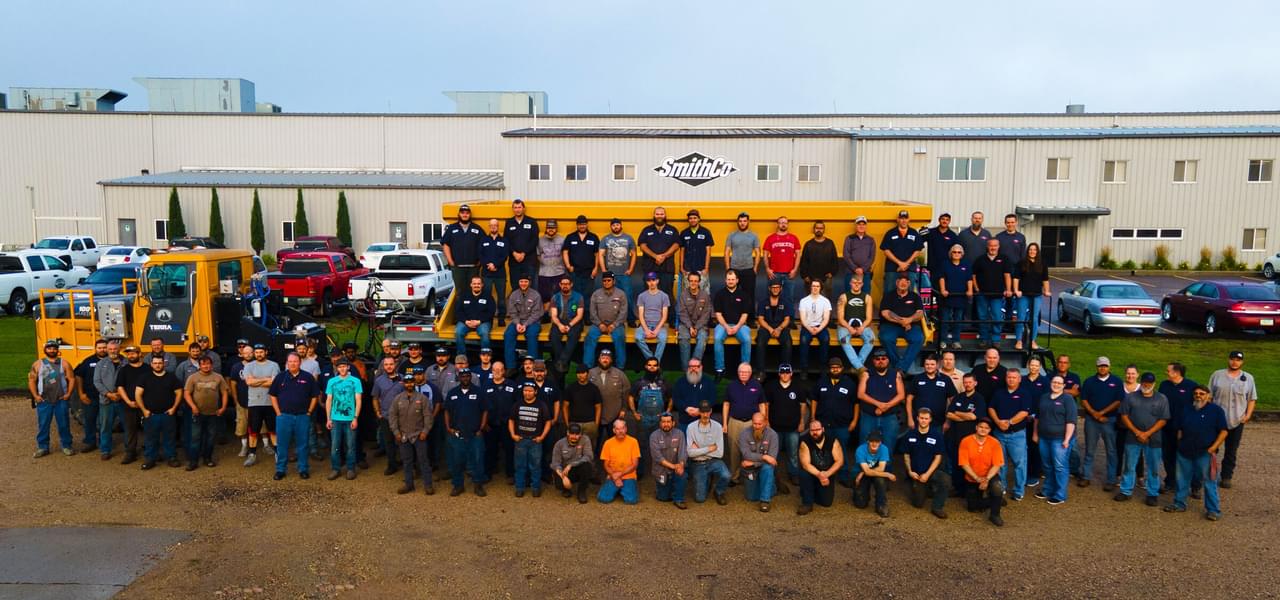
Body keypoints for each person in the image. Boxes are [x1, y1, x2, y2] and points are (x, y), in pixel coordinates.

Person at [1164, 386, 1228, 520]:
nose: (1198, 396)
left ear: (1208, 395)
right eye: (1196, 393)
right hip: (1184, 451)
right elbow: (1179, 428)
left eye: (1202, 393)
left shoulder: (1216, 411)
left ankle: (1213, 510)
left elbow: (1223, 431)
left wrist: (1213, 447)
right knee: (1181, 480)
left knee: (1209, 481)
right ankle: (1179, 504)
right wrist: (1180, 443)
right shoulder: (1186, 409)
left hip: (1205, 452)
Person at [1117, 372, 1170, 506]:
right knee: (1129, 465)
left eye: (1150, 383)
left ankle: (1152, 494)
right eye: (1145, 382)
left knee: (1153, 468)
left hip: (1154, 439)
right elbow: (1124, 415)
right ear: (1141, 382)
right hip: (1132, 437)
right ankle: (1126, 491)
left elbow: (1163, 419)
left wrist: (1147, 433)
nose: (1147, 384)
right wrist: (1136, 432)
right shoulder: (1130, 397)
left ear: (1154, 384)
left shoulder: (1161, 398)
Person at [1209, 350, 1256, 489]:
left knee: (1231, 451)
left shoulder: (1248, 378)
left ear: (1242, 362)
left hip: (1236, 421)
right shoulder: (1217, 375)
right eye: (1233, 359)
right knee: (1212, 449)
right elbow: (1209, 396)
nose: (1235, 362)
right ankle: (1208, 475)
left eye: (1238, 360)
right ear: (1228, 360)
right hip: (1217, 421)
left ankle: (1226, 477)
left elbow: (1252, 398)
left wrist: (1248, 415)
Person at [1079, 356, 1124, 490]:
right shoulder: (1089, 381)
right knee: (1090, 450)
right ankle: (1086, 477)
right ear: (1096, 367)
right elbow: (1084, 400)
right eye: (1100, 366)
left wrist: (1102, 413)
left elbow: (1118, 401)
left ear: (1109, 366)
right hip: (1091, 420)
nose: (1102, 368)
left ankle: (1111, 479)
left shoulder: (1116, 381)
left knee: (1111, 451)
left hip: (1109, 420)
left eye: (1105, 365)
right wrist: (1094, 414)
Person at [813, 357, 858, 485]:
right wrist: (813, 418)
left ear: (842, 368)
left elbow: (856, 403)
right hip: (824, 424)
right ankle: (825, 475)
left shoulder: (849, 383)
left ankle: (844, 476)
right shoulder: (822, 382)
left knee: (841, 450)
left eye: (837, 367)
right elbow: (815, 399)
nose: (835, 369)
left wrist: (854, 421)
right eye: (832, 367)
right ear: (829, 369)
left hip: (842, 425)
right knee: (823, 451)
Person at [443, 370, 489, 497]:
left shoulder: (478, 392)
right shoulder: (452, 393)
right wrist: (448, 428)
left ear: (471, 377)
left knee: (478, 460)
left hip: (475, 434)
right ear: (458, 378)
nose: (465, 378)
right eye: (462, 376)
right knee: (456, 461)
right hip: (457, 434)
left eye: (467, 376)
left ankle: (478, 485)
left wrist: (482, 427)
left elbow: (485, 410)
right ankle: (458, 485)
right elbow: (446, 410)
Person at [389, 370, 434, 495]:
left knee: (423, 461)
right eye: (407, 382)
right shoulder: (397, 399)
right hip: (403, 436)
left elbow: (428, 416)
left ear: (414, 383)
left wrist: (425, 431)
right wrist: (396, 432)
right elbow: (392, 416)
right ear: (403, 384)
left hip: (419, 435)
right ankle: (409, 484)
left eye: (411, 382)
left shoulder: (422, 398)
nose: (409, 384)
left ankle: (428, 485)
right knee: (407, 461)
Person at [988, 369, 1031, 500]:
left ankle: (1019, 491)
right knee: (1000, 463)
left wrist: (1009, 422)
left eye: (1014, 377)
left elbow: (1024, 412)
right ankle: (1002, 487)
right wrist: (997, 422)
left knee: (1020, 463)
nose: (1011, 380)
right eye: (1009, 377)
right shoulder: (999, 392)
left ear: (1019, 379)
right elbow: (991, 408)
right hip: (999, 433)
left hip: (1016, 434)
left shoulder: (1024, 393)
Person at [135, 354, 183, 469]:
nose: (157, 365)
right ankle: (150, 459)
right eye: (155, 363)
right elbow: (138, 394)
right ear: (151, 364)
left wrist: (174, 408)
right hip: (151, 415)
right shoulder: (144, 377)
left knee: (169, 438)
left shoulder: (171, 377)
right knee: (150, 438)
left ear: (164, 364)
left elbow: (179, 392)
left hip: (167, 414)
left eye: (160, 363)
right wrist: (144, 410)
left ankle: (171, 457)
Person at [29, 339, 75, 458]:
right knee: (43, 424)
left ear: (57, 350)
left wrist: (69, 393)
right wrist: (36, 396)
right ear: (45, 350)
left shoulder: (64, 363)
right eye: (49, 348)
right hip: (44, 400)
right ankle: (43, 447)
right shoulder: (37, 364)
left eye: (54, 348)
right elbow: (32, 381)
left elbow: (71, 379)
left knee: (64, 423)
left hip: (61, 399)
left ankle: (67, 446)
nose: (52, 350)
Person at [1158, 362, 1200, 494]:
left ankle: (1195, 486)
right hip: (1167, 427)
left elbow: (1197, 406)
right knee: (1168, 456)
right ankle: (1171, 482)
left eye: (1168, 370)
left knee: (1188, 457)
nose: (1166, 373)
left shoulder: (1191, 386)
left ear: (1176, 373)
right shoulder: (1164, 385)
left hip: (1184, 429)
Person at [1035, 376, 1077, 505]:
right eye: (1054, 382)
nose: (1056, 385)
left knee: (1059, 467)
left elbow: (1071, 421)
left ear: (1064, 385)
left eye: (1059, 383)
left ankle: (1059, 495)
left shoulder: (1068, 399)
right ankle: (1047, 489)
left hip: (1060, 439)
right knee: (1047, 465)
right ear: (1050, 383)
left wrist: (1067, 440)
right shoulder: (1044, 397)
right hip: (1044, 438)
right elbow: (1038, 417)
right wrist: (1035, 434)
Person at [764, 363, 806, 490]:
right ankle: (773, 474)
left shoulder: (798, 386)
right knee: (773, 453)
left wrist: (802, 421)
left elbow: (803, 405)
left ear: (791, 373)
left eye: (787, 372)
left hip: (792, 428)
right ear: (779, 374)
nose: (785, 375)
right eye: (782, 372)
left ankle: (793, 474)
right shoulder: (772, 386)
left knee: (793, 453)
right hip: (775, 428)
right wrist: (767, 420)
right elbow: (766, 404)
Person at [903, 408, 950, 518]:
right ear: (917, 418)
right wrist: (910, 472)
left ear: (930, 420)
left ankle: (937, 507)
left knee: (945, 480)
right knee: (918, 504)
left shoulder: (936, 435)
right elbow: (906, 455)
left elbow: (938, 457)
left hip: (931, 471)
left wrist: (928, 474)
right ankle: (921, 487)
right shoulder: (910, 435)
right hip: (916, 474)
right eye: (922, 418)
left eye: (926, 418)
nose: (924, 421)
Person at [183, 355, 228, 470]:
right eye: (203, 364)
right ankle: (193, 461)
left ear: (211, 365)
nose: (206, 366)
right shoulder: (192, 377)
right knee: (195, 438)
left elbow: (224, 393)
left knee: (210, 438)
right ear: (199, 365)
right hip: (197, 413)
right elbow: (186, 394)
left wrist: (223, 407)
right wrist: (193, 406)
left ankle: (207, 458)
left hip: (213, 414)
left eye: (208, 364)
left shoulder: (218, 377)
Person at [629, 357, 672, 476]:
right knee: (641, 446)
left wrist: (667, 413)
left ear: (658, 367)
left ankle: (661, 470)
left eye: (654, 365)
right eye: (650, 365)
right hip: (643, 419)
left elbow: (671, 398)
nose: (652, 367)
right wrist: (634, 413)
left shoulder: (663, 383)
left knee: (661, 445)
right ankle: (640, 471)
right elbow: (631, 397)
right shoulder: (639, 383)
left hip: (659, 420)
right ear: (646, 366)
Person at [722, 363, 764, 483]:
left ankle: (749, 475)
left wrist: (764, 420)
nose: (743, 374)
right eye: (741, 372)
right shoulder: (731, 386)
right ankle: (734, 477)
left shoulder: (757, 385)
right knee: (733, 450)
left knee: (752, 449)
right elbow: (726, 404)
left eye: (746, 372)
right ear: (738, 372)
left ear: (750, 373)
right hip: (734, 422)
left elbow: (762, 404)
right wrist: (725, 423)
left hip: (752, 423)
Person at [959, 419, 1006, 526]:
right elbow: (964, 464)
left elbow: (997, 465)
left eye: (986, 428)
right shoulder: (965, 441)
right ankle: (995, 500)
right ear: (976, 427)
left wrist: (986, 479)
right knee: (972, 507)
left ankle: (995, 515)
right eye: (981, 427)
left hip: (989, 475)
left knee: (997, 487)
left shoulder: (994, 442)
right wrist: (976, 478)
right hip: (972, 477)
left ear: (989, 430)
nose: (983, 429)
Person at [945, 374, 986, 496]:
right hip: (955, 436)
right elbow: (949, 414)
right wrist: (965, 415)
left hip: (970, 438)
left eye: (970, 382)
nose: (967, 384)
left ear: (975, 383)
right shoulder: (958, 397)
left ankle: (969, 489)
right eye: (965, 382)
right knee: (956, 462)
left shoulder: (979, 398)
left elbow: (974, 416)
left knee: (969, 463)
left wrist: (957, 413)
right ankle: (957, 488)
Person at [509, 383, 552, 497]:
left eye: (530, 391)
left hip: (535, 441)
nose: (527, 393)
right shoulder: (517, 404)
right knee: (519, 465)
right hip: (520, 440)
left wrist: (542, 437)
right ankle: (519, 487)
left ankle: (535, 487)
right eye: (525, 391)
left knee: (536, 465)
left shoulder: (541, 405)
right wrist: (513, 434)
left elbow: (548, 421)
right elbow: (511, 420)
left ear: (535, 392)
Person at [240, 344, 280, 466]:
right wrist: (265, 379)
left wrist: (256, 380)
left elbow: (274, 383)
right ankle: (252, 454)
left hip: (270, 402)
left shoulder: (274, 365)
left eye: (261, 352)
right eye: (256, 352)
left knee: (273, 430)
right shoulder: (249, 366)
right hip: (254, 403)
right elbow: (249, 382)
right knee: (253, 430)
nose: (259, 354)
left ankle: (278, 454)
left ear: (266, 352)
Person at [857, 349, 904, 451]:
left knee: (888, 446)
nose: (880, 361)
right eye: (877, 359)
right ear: (873, 361)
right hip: (869, 416)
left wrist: (885, 407)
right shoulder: (866, 374)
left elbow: (901, 395)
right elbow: (860, 394)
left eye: (883, 358)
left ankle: (887, 467)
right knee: (864, 444)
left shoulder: (896, 374)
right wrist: (879, 404)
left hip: (889, 417)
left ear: (888, 360)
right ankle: (863, 466)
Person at [686, 401, 731, 505]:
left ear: (710, 411)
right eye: (702, 412)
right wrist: (709, 448)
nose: (705, 415)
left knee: (727, 475)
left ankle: (718, 491)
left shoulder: (718, 427)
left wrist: (698, 450)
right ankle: (707, 479)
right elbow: (690, 453)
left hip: (714, 461)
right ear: (699, 412)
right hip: (698, 463)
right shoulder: (691, 427)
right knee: (700, 499)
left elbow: (720, 453)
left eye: (707, 412)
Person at [878, 274, 924, 373]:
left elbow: (920, 314)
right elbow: (885, 313)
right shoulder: (888, 295)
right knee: (886, 338)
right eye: (900, 281)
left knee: (918, 339)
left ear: (909, 283)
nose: (903, 284)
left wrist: (910, 320)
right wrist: (903, 322)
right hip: (891, 325)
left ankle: (900, 368)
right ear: (896, 283)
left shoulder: (915, 296)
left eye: (905, 282)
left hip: (911, 325)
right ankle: (899, 367)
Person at [323, 358, 361, 480]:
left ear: (348, 367)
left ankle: (350, 468)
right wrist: (328, 418)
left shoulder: (355, 381)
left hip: (350, 418)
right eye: (340, 367)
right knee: (335, 445)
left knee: (350, 445)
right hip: (335, 418)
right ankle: (335, 468)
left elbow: (358, 400)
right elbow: (329, 400)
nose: (342, 369)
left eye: (344, 366)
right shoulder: (332, 381)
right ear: (337, 368)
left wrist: (355, 417)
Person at [797, 420, 844, 515]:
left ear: (823, 429)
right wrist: (819, 475)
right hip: (812, 472)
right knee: (804, 474)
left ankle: (810, 490)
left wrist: (827, 474)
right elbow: (805, 464)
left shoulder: (833, 440)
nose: (815, 432)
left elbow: (839, 461)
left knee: (826, 503)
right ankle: (807, 503)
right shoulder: (804, 441)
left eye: (817, 429)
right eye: (812, 430)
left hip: (827, 473)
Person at [481, 362, 519, 483]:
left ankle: (510, 474)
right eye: (494, 370)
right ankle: (488, 472)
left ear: (504, 371)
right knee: (489, 449)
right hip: (490, 425)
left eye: (500, 370)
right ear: (491, 371)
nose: (497, 372)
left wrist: (514, 424)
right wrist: (484, 423)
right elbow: (482, 406)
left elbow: (517, 405)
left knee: (510, 450)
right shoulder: (486, 386)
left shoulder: (512, 385)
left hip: (508, 425)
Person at [971, 238, 1011, 348]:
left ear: (998, 246)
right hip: (982, 294)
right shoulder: (980, 259)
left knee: (997, 317)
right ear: (987, 246)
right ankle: (983, 339)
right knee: (982, 317)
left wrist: (1008, 289)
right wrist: (976, 288)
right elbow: (973, 275)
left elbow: (1007, 275)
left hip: (997, 295)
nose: (993, 248)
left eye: (995, 245)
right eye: (990, 245)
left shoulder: (1004, 259)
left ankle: (996, 339)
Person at [112, 345, 149, 464]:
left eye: (133, 353)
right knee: (130, 430)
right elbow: (120, 387)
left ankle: (151, 452)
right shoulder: (124, 370)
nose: (130, 355)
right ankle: (130, 453)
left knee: (149, 429)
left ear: (139, 354)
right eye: (128, 354)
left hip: (146, 405)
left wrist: (143, 403)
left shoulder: (148, 369)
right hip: (129, 405)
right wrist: (128, 401)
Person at [583, 271, 628, 368]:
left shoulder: (621, 294)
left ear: (613, 281)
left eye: (609, 280)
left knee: (620, 338)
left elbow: (623, 313)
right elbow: (592, 312)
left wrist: (614, 325)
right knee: (590, 337)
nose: (606, 282)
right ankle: (587, 367)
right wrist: (599, 324)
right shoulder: (596, 294)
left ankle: (620, 367)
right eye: (604, 281)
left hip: (616, 325)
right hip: (598, 324)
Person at [588, 349, 630, 453]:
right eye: (603, 357)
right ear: (599, 359)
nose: (605, 360)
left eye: (607, 358)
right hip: (595, 415)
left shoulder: (620, 374)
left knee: (616, 442)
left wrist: (624, 409)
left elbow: (626, 392)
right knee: (594, 442)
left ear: (611, 360)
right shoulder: (590, 373)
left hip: (614, 415)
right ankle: (594, 463)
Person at [713, 270, 753, 376]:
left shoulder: (744, 295)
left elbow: (745, 314)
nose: (730, 281)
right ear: (725, 280)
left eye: (732, 279)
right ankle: (719, 369)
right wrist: (726, 326)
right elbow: (718, 314)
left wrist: (737, 327)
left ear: (737, 280)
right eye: (728, 279)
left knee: (747, 339)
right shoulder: (719, 294)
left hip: (740, 325)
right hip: (723, 324)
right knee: (717, 338)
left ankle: (745, 369)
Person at [739, 412, 781, 512]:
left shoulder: (773, 435)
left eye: (759, 424)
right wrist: (764, 457)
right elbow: (746, 454)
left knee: (768, 468)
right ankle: (772, 486)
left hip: (763, 466)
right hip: (750, 469)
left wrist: (754, 462)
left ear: (765, 422)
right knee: (751, 497)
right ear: (751, 422)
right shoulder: (744, 433)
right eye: (754, 423)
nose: (757, 426)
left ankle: (765, 501)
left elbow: (772, 459)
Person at [442, 203, 485, 297]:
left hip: (473, 268)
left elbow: (485, 245)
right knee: (460, 293)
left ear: (470, 215)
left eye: (467, 213)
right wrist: (450, 261)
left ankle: (472, 311)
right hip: (457, 268)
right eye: (462, 213)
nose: (465, 215)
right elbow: (445, 244)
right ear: (459, 214)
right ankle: (460, 312)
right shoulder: (452, 228)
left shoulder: (477, 229)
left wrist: (480, 261)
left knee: (474, 292)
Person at [1013, 243, 1050, 350]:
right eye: (1030, 249)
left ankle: (1032, 341)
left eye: (1034, 250)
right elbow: (1016, 278)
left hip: (1037, 295)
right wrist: (1016, 290)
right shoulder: (1021, 263)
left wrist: (1047, 291)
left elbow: (1045, 279)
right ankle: (1019, 340)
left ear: (1037, 251)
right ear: (1027, 251)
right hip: (1023, 295)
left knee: (1033, 319)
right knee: (1021, 318)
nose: (1032, 251)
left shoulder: (1042, 264)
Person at [936, 244, 973, 349]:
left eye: (959, 252)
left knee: (958, 320)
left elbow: (969, 279)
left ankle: (956, 340)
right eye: (954, 252)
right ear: (950, 253)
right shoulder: (945, 264)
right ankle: (943, 340)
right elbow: (942, 278)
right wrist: (943, 289)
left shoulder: (966, 264)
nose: (956, 254)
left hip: (961, 296)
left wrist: (970, 290)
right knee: (945, 320)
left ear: (962, 254)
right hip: (947, 296)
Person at [503, 273, 543, 372]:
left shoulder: (535, 295)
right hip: (517, 321)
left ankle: (532, 367)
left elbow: (537, 313)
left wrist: (525, 325)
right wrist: (517, 323)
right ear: (518, 282)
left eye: (525, 281)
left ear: (529, 283)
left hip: (532, 322)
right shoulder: (514, 294)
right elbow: (512, 312)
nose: (523, 283)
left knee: (531, 335)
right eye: (521, 281)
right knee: (508, 335)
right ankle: (510, 366)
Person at [73, 339, 107, 453]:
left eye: (104, 347)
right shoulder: (88, 361)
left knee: (105, 422)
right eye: (100, 348)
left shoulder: (112, 360)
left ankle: (104, 444)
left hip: (107, 398)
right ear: (95, 348)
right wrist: (81, 394)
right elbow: (78, 375)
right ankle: (90, 442)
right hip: (91, 397)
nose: (102, 350)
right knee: (89, 420)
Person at [92, 340, 125, 460]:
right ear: (107, 350)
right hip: (107, 401)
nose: (112, 351)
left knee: (128, 426)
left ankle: (129, 449)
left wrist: (121, 395)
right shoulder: (101, 364)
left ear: (119, 349)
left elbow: (131, 381)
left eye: (115, 349)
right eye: (110, 349)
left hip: (123, 400)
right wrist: (108, 394)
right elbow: (97, 381)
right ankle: (105, 450)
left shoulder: (125, 363)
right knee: (105, 426)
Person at [638, 207, 681, 295]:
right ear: (654, 215)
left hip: (667, 269)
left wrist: (664, 256)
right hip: (650, 268)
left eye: (662, 214)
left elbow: (676, 245)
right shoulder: (646, 230)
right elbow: (642, 245)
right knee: (649, 294)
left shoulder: (672, 230)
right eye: (657, 214)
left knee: (667, 295)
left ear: (665, 215)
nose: (659, 216)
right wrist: (655, 256)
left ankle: (668, 310)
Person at [907, 355, 957, 431]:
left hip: (939, 423)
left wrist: (948, 421)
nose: (929, 366)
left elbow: (953, 400)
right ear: (924, 365)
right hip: (919, 422)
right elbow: (909, 399)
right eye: (927, 364)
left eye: (932, 364)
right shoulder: (917, 378)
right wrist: (910, 419)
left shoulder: (945, 379)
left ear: (937, 365)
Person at [599, 218, 637, 317]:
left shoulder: (629, 238)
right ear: (611, 227)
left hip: (625, 274)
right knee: (611, 297)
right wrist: (603, 270)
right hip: (610, 274)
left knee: (627, 296)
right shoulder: (605, 239)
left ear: (621, 225)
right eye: (613, 225)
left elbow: (633, 254)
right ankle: (613, 317)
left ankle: (630, 318)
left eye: (617, 224)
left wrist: (631, 269)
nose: (616, 226)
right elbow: (600, 254)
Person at [650, 413, 689, 509]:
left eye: (668, 422)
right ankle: (664, 490)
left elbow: (682, 452)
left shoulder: (680, 434)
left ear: (673, 423)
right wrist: (674, 466)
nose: (666, 424)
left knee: (682, 475)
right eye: (663, 422)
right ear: (660, 423)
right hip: (661, 470)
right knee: (663, 498)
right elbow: (658, 457)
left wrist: (681, 465)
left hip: (676, 468)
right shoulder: (654, 436)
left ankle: (679, 499)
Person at [598, 419, 641, 505]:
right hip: (613, 474)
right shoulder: (608, 443)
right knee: (603, 498)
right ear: (614, 430)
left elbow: (634, 464)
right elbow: (606, 465)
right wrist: (615, 477)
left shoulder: (633, 442)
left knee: (631, 501)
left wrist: (619, 475)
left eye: (622, 428)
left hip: (629, 475)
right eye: (617, 429)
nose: (620, 431)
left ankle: (621, 488)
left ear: (626, 429)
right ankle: (619, 488)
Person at [547, 276, 585, 374]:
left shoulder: (578, 297)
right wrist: (560, 325)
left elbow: (579, 315)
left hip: (574, 321)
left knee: (573, 335)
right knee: (553, 336)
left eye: (567, 284)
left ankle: (562, 361)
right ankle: (563, 363)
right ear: (560, 285)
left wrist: (570, 325)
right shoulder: (555, 297)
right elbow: (554, 316)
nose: (565, 286)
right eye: (563, 284)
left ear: (571, 284)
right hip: (559, 321)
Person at [835, 276, 874, 371]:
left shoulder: (867, 297)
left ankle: (856, 366)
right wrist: (849, 328)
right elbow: (840, 318)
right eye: (854, 282)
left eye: (859, 283)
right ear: (850, 283)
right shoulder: (843, 297)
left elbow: (869, 318)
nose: (856, 284)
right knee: (844, 340)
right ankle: (860, 367)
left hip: (862, 326)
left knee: (871, 339)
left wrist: (862, 327)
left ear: (862, 284)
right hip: (845, 326)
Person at [754, 277, 793, 373]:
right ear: (769, 288)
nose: (775, 289)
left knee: (788, 343)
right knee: (760, 343)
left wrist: (779, 329)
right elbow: (760, 319)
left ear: (781, 289)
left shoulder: (785, 302)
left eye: (777, 287)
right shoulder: (763, 302)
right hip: (766, 327)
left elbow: (787, 319)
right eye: (773, 287)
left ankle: (785, 370)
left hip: (781, 327)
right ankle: (760, 371)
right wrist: (771, 329)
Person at [879, 209, 923, 292]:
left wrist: (906, 264)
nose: (903, 221)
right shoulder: (890, 233)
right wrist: (899, 263)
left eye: (905, 218)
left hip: (910, 269)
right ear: (898, 219)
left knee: (909, 294)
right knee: (889, 293)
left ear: (909, 219)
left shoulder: (914, 233)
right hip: (892, 269)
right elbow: (886, 250)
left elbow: (917, 251)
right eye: (901, 218)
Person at [853, 432, 895, 517]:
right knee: (860, 504)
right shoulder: (860, 449)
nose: (874, 443)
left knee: (880, 480)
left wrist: (864, 472)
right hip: (860, 474)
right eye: (872, 441)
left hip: (866, 473)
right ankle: (861, 494)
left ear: (880, 442)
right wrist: (887, 474)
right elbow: (871, 471)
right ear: (868, 441)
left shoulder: (884, 449)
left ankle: (881, 505)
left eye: (877, 441)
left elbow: (881, 468)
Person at [550, 423, 594, 503]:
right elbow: (555, 463)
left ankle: (581, 492)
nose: (574, 436)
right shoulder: (559, 444)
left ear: (580, 434)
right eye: (572, 433)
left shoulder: (585, 440)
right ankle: (566, 489)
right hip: (564, 471)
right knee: (559, 484)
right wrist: (563, 477)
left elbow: (589, 456)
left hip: (577, 468)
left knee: (587, 466)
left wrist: (571, 465)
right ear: (567, 433)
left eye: (577, 434)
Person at [676, 271, 712, 367]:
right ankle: (686, 370)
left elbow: (706, 314)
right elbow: (682, 313)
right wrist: (690, 327)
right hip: (685, 324)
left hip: (701, 325)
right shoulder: (683, 295)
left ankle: (694, 367)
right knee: (684, 339)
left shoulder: (705, 295)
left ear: (699, 282)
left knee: (702, 339)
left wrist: (696, 327)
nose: (693, 283)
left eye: (696, 281)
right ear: (688, 281)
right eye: (691, 281)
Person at [724, 212, 761, 307]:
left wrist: (755, 268)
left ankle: (750, 319)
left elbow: (758, 253)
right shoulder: (731, 235)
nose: (742, 223)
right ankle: (732, 317)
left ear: (748, 222)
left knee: (749, 296)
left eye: (744, 221)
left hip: (748, 269)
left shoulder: (754, 236)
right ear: (737, 222)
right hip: (734, 269)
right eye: (740, 221)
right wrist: (728, 268)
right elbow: (727, 252)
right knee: (731, 294)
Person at [795, 279, 832, 374]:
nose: (815, 288)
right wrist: (810, 329)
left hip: (821, 326)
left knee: (825, 339)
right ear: (810, 287)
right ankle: (804, 368)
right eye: (813, 286)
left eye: (817, 286)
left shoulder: (825, 301)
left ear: (820, 288)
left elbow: (826, 319)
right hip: (807, 326)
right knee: (803, 340)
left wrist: (818, 329)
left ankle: (823, 366)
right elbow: (803, 319)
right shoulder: (804, 301)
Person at [678, 209, 714, 300]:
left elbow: (708, 251)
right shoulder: (684, 233)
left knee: (704, 295)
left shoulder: (706, 232)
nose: (692, 220)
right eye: (690, 218)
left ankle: (704, 314)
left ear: (699, 219)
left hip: (701, 269)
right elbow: (682, 251)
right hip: (688, 269)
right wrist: (681, 267)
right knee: (687, 296)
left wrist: (706, 268)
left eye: (695, 218)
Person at [763, 216, 801, 304]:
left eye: (785, 223)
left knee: (789, 298)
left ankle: (789, 317)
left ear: (787, 224)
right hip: (774, 274)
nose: (783, 224)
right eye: (781, 222)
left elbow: (798, 255)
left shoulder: (794, 238)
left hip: (789, 274)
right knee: (772, 298)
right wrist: (767, 269)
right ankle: (771, 317)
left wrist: (795, 270)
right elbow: (765, 255)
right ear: (778, 224)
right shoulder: (770, 238)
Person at [634, 272, 671, 362]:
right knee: (638, 338)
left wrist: (657, 329)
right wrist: (646, 330)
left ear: (657, 281)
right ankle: (651, 359)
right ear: (647, 282)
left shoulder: (664, 296)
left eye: (653, 280)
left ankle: (656, 362)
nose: (651, 282)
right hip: (645, 324)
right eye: (649, 280)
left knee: (662, 339)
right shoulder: (642, 296)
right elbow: (641, 316)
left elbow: (664, 316)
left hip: (659, 325)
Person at [454, 276, 495, 357]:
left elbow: (491, 312)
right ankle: (462, 357)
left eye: (479, 284)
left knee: (484, 333)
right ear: (471, 285)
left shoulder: (488, 297)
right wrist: (466, 321)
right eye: (474, 284)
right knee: (458, 332)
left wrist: (479, 321)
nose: (476, 285)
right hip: (466, 322)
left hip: (482, 322)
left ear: (482, 285)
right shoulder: (464, 296)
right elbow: (458, 311)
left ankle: (485, 356)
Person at [561, 214, 600, 298]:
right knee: (575, 295)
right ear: (577, 225)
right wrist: (568, 266)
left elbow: (597, 254)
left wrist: (596, 268)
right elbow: (565, 252)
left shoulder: (593, 237)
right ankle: (576, 311)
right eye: (580, 224)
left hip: (589, 272)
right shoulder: (570, 237)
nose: (582, 226)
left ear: (586, 224)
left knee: (588, 294)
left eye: (584, 224)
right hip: (574, 272)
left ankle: (586, 311)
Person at [798, 220, 838, 301]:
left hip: (826, 279)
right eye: (817, 228)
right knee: (811, 301)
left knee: (826, 301)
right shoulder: (808, 244)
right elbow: (804, 261)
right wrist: (804, 276)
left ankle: (826, 314)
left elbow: (834, 259)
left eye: (821, 228)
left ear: (824, 230)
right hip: (810, 279)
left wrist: (832, 273)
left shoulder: (830, 243)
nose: (819, 230)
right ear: (814, 230)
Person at [504, 199, 539, 289]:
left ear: (523, 208)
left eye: (519, 207)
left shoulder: (531, 222)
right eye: (515, 207)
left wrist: (524, 253)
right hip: (514, 261)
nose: (517, 209)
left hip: (529, 261)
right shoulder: (509, 223)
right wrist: (514, 253)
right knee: (515, 286)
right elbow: (506, 241)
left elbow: (535, 240)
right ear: (513, 209)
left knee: (531, 286)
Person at [479, 218, 509, 322]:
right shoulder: (483, 240)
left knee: (501, 298)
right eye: (491, 225)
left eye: (495, 225)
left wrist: (495, 265)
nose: (493, 227)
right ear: (489, 227)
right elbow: (480, 255)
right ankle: (487, 318)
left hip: (500, 274)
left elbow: (505, 256)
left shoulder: (504, 241)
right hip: (486, 274)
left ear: (498, 226)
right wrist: (488, 265)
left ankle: (501, 318)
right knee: (486, 296)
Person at [672, 359, 716, 428]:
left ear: (701, 367)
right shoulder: (680, 382)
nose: (693, 369)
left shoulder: (709, 382)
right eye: (691, 366)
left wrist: (700, 410)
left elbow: (712, 399)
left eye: (696, 366)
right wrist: (686, 408)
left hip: (703, 422)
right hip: (684, 422)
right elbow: (676, 399)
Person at [564, 368, 603, 445]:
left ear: (587, 374)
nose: (581, 375)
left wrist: (596, 424)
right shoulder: (570, 388)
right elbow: (565, 406)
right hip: (574, 422)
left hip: (590, 424)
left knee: (589, 447)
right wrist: (567, 423)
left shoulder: (594, 388)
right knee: (573, 447)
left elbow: (598, 407)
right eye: (578, 373)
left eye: (583, 373)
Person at [842, 215, 876, 294]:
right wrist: (855, 268)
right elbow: (846, 255)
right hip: (851, 272)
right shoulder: (849, 238)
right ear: (856, 226)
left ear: (865, 226)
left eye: (863, 224)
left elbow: (872, 256)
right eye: (859, 224)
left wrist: (863, 269)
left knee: (865, 294)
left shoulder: (870, 240)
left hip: (865, 273)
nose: (861, 226)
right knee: (849, 294)